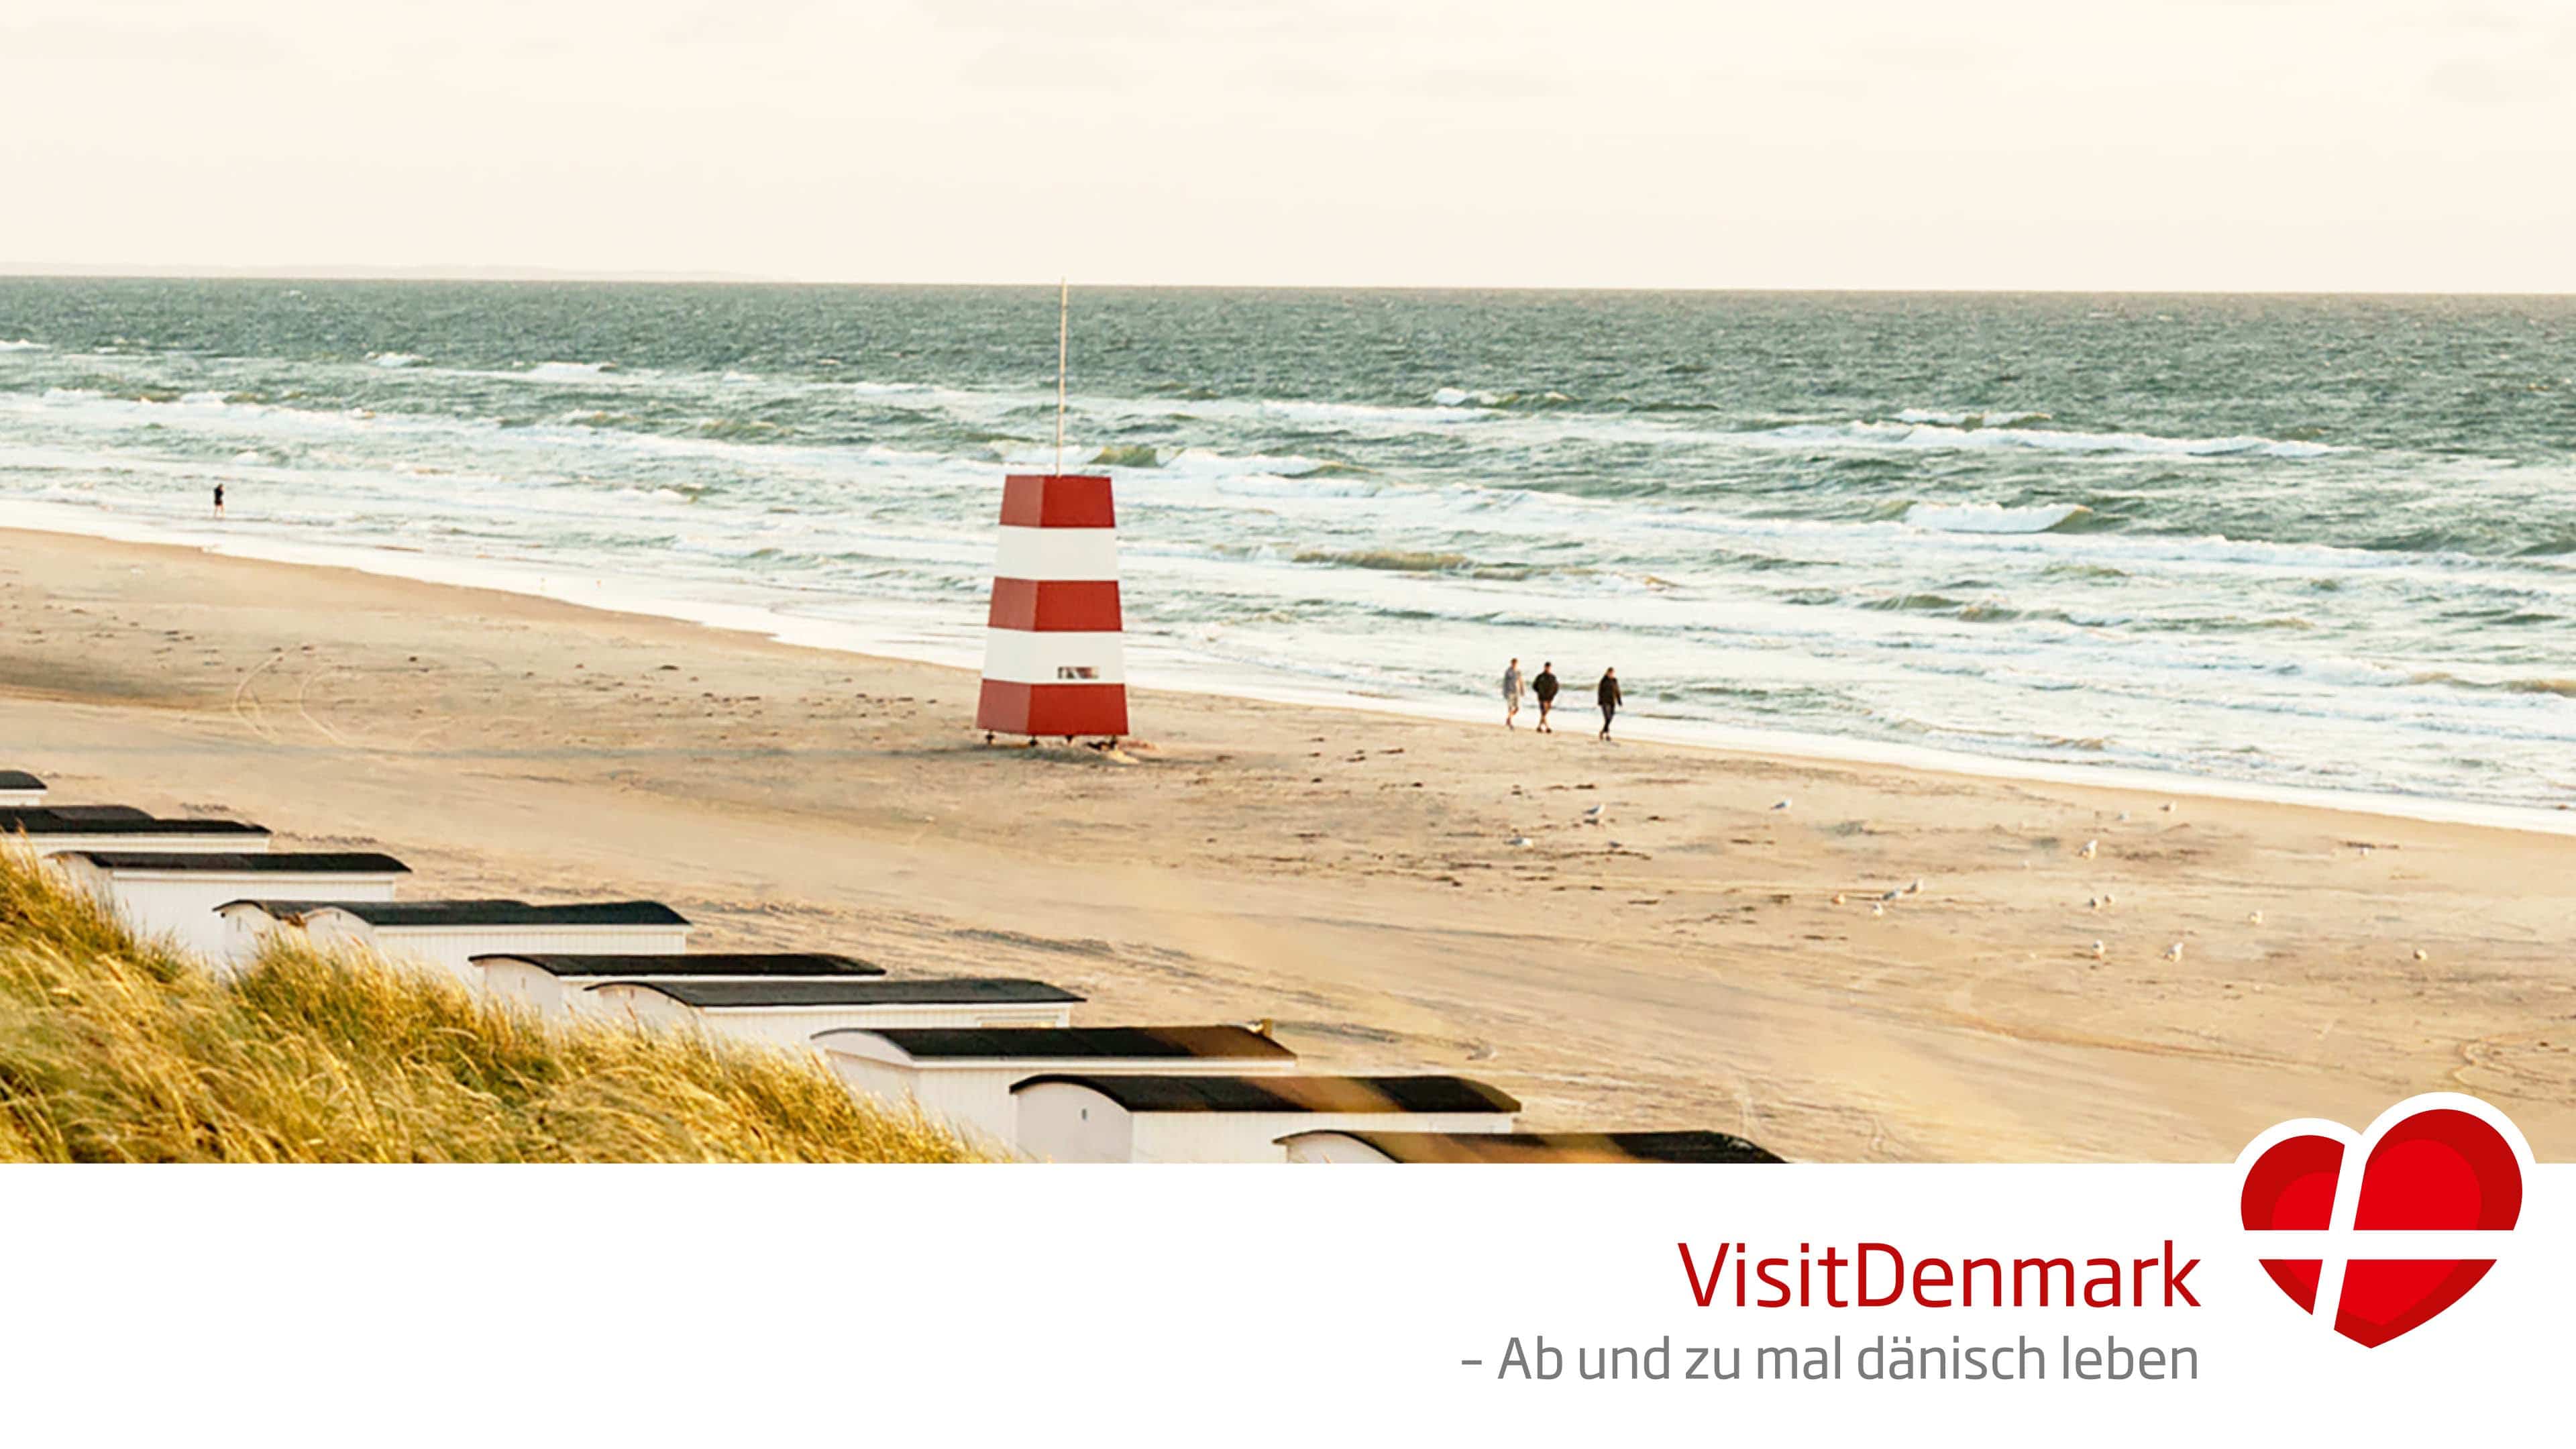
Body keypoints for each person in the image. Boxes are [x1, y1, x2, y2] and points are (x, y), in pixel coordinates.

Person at [1532, 661, 1559, 733]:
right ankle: (1547, 728)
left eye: (1549, 667)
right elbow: (1534, 686)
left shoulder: (1553, 677)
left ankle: (1539, 726)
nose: (1548, 669)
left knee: (1545, 712)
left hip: (1550, 697)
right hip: (1542, 697)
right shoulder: (1540, 677)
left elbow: (1556, 687)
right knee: (1543, 712)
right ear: (1545, 667)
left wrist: (1553, 694)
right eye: (1547, 667)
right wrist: (1539, 692)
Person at [1597, 666, 1622, 741]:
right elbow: (1600, 692)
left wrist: (1619, 700)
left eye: (1612, 673)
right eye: (1610, 673)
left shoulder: (1615, 681)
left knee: (1610, 718)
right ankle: (1608, 735)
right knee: (1607, 718)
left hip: (1612, 702)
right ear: (1607, 673)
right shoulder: (1603, 681)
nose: (1611, 674)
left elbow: (1618, 691)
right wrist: (1600, 701)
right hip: (1605, 702)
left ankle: (1602, 732)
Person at [1501, 657, 1523, 729]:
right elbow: (1505, 682)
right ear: (1511, 663)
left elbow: (1521, 681)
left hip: (1517, 692)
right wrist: (1504, 692)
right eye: (1513, 663)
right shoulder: (1508, 671)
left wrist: (1522, 690)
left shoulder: (1518, 672)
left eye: (1516, 663)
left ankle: (1508, 719)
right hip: (1510, 692)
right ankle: (1510, 722)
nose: (1514, 665)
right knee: (1510, 708)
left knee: (1517, 708)